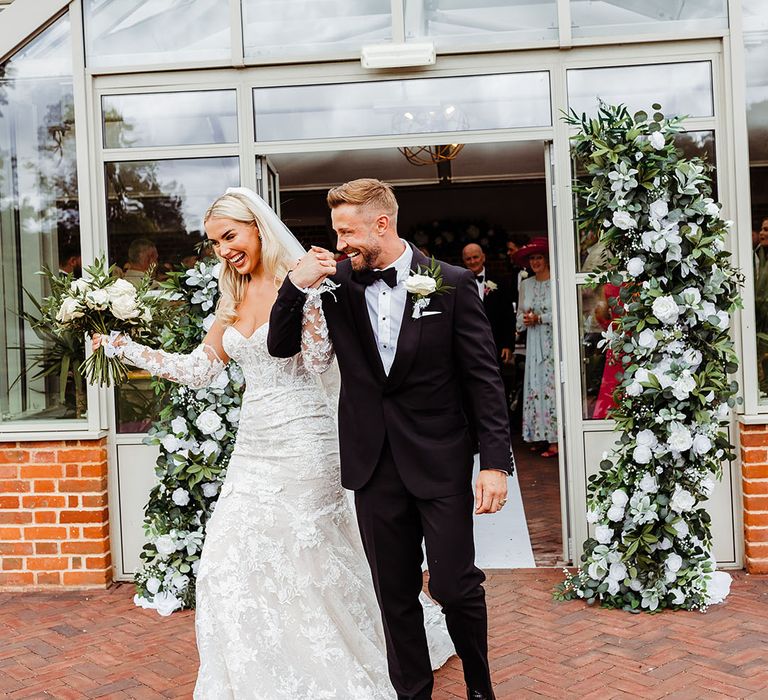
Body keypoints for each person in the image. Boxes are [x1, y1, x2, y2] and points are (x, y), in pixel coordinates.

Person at [93, 187, 454, 699]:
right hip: (254, 446)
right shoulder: (232, 294)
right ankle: (260, 672)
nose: (223, 250)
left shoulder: (308, 283)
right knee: (225, 557)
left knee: (304, 559)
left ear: (257, 228)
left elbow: (320, 363)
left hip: (307, 443)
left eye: (230, 236)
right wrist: (124, 347)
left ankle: (332, 665)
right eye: (215, 242)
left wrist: (301, 295)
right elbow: (200, 370)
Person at [269, 178, 513, 700]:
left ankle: (479, 686)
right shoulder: (335, 284)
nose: (340, 244)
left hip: (439, 458)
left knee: (454, 584)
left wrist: (496, 462)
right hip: (372, 463)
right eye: (336, 233)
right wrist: (295, 283)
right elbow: (279, 345)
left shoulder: (448, 282)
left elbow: (483, 379)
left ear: (382, 224)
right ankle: (412, 694)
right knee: (394, 594)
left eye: (348, 231)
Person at [513, 237, 558, 458]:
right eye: (532, 258)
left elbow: (563, 311)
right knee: (535, 386)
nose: (535, 262)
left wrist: (541, 318)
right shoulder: (526, 284)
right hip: (533, 343)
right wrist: (525, 320)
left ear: (547, 258)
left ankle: (556, 439)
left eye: (539, 257)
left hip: (552, 343)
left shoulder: (557, 281)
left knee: (551, 386)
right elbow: (520, 314)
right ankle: (539, 435)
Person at [461, 243, 514, 366]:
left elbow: (508, 316)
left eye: (475, 257)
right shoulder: (459, 283)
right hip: (467, 345)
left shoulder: (500, 282)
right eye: (468, 259)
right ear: (464, 261)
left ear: (483, 257)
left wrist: (507, 344)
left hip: (495, 344)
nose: (473, 261)